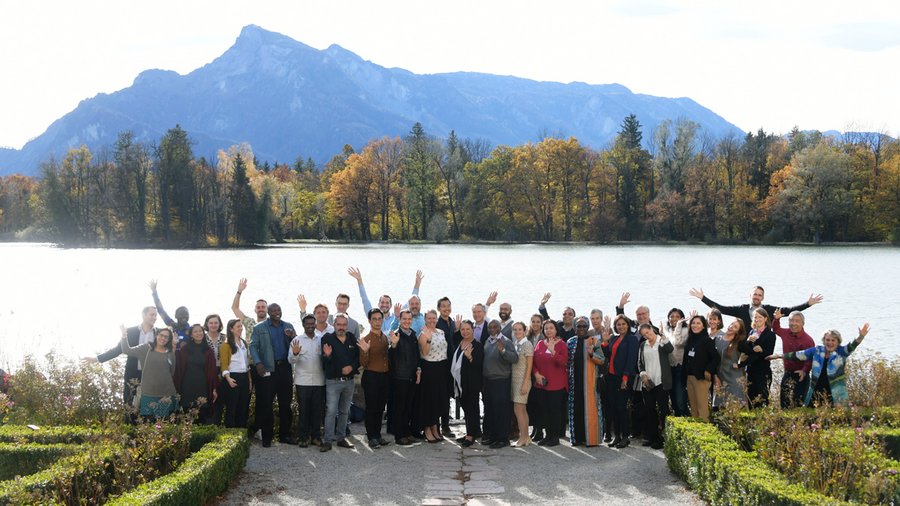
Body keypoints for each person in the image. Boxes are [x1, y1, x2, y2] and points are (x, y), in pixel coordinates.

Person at [767, 323, 870, 407]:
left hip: (835, 392)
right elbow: (799, 354)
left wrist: (861, 336)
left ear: (838, 342)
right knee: (811, 414)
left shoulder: (842, 352)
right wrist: (779, 356)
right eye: (827, 340)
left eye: (833, 340)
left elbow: (853, 345)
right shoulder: (817, 350)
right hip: (816, 390)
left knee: (837, 416)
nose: (830, 343)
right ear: (824, 341)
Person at [85, 306, 158, 408]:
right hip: (132, 373)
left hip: (152, 376)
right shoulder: (130, 331)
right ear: (144, 315)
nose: (154, 317)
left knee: (150, 406)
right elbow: (118, 350)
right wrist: (97, 359)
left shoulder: (159, 334)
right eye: (152, 314)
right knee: (129, 404)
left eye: (155, 315)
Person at [249, 303, 297, 447]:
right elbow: (252, 346)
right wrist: (258, 363)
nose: (277, 312)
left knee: (285, 404)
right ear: (268, 312)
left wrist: (292, 336)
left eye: (279, 310)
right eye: (273, 310)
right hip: (268, 368)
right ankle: (267, 437)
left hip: (285, 368)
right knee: (266, 404)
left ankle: (284, 435)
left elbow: (296, 344)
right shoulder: (260, 327)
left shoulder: (288, 326)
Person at [689, 286, 823, 332]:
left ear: (763, 297)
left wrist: (807, 304)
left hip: (762, 346)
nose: (757, 297)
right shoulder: (742, 309)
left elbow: (788, 311)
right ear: (750, 296)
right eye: (755, 294)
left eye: (759, 295)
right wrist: (703, 298)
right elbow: (722, 309)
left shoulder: (769, 310)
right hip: (744, 345)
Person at [120, 326, 177, 420]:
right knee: (149, 424)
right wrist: (124, 336)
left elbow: (172, 372)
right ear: (156, 335)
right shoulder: (146, 348)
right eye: (161, 335)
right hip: (148, 393)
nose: (163, 338)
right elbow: (126, 350)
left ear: (169, 339)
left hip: (167, 394)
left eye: (166, 337)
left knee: (164, 424)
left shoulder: (170, 353)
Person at [320, 313, 359, 452]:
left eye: (344, 324)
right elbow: (324, 362)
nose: (341, 327)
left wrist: (351, 367)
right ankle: (328, 440)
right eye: (339, 324)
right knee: (331, 411)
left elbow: (358, 358)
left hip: (349, 382)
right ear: (334, 325)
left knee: (345, 411)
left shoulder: (352, 338)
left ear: (347, 326)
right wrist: (327, 355)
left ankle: (341, 438)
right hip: (333, 382)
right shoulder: (327, 338)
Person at [568, 316, 606, 447]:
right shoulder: (570, 342)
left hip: (590, 382)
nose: (582, 328)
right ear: (574, 327)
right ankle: (577, 439)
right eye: (579, 326)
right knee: (576, 410)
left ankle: (591, 439)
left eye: (584, 326)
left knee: (591, 410)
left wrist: (591, 354)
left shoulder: (594, 341)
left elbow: (602, 360)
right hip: (574, 383)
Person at [348, 267, 422, 333]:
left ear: (390, 305)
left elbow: (411, 302)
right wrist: (359, 280)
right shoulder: (373, 315)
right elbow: (364, 299)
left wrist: (417, 285)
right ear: (378, 304)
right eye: (382, 302)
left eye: (387, 303)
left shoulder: (396, 315)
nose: (384, 305)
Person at [289, 314, 325, 448]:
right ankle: (303, 437)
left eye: (312, 323)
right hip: (302, 381)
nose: (310, 326)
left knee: (317, 411)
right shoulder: (296, 340)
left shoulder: (321, 339)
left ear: (315, 324)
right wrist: (295, 353)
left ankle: (316, 437)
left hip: (319, 381)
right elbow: (290, 360)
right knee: (304, 411)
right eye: (307, 324)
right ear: (303, 325)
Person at [602, 314, 638, 448]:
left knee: (621, 407)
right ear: (615, 326)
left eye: (623, 324)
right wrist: (605, 342)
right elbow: (607, 355)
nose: (621, 326)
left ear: (628, 325)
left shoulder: (632, 339)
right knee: (613, 407)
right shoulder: (614, 338)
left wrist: (625, 378)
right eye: (618, 324)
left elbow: (631, 359)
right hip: (611, 377)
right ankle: (616, 436)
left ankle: (625, 436)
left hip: (623, 377)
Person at [481, 320, 518, 449]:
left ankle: (503, 438)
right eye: (490, 327)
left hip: (501, 381)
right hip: (488, 381)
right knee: (490, 410)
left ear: (500, 328)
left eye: (495, 327)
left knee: (501, 411)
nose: (492, 329)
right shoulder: (488, 341)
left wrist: (503, 351)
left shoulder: (506, 341)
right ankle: (493, 437)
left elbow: (514, 358)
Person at [358, 309, 391, 449]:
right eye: (374, 319)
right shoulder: (366, 339)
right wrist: (365, 352)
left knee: (380, 407)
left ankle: (378, 434)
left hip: (384, 376)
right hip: (371, 376)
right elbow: (363, 363)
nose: (377, 321)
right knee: (371, 408)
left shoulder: (385, 338)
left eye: (379, 319)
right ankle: (371, 436)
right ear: (369, 321)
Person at [532, 319, 567, 447]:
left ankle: (555, 437)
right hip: (541, 383)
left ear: (556, 330)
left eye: (551, 328)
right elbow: (533, 362)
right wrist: (536, 374)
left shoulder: (561, 344)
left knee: (554, 411)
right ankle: (547, 436)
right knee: (544, 410)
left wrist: (553, 351)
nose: (548, 330)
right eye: (546, 328)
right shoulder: (540, 343)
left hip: (556, 384)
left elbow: (564, 362)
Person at [637, 323, 672, 449]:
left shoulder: (661, 342)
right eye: (644, 335)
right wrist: (643, 374)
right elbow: (640, 363)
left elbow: (670, 349)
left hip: (661, 382)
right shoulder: (643, 345)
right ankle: (653, 437)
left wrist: (663, 336)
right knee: (650, 410)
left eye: (648, 332)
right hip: (648, 383)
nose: (647, 335)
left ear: (652, 329)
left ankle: (664, 438)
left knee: (664, 410)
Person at [174, 324, 219, 422]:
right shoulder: (185, 349)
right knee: (187, 415)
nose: (199, 333)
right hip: (187, 386)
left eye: (200, 331)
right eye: (195, 331)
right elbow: (178, 366)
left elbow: (213, 371)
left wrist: (214, 388)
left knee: (202, 413)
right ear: (191, 335)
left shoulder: (208, 350)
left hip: (203, 386)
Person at [416, 310, 449, 443]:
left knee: (438, 400)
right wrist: (429, 339)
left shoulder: (441, 332)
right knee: (428, 400)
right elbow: (424, 352)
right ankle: (427, 429)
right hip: (429, 368)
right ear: (425, 319)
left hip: (441, 368)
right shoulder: (423, 334)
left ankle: (435, 427)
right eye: (429, 318)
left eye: (434, 318)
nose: (431, 320)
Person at [389, 310, 421, 446]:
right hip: (399, 377)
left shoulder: (413, 335)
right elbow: (391, 354)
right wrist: (394, 344)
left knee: (408, 407)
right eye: (404, 319)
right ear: (400, 320)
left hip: (411, 376)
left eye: (409, 319)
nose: (407, 321)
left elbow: (416, 355)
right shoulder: (396, 335)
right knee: (399, 407)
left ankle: (406, 432)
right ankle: (399, 435)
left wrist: (418, 370)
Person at [771, 309, 815, 408]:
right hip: (787, 373)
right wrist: (776, 319)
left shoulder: (808, 340)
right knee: (784, 404)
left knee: (798, 404)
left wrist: (804, 371)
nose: (793, 323)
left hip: (801, 375)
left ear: (803, 323)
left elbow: (810, 359)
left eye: (797, 321)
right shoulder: (786, 333)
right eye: (791, 320)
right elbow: (776, 329)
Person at [451, 319, 483, 448]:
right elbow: (453, 338)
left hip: (472, 382)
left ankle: (470, 435)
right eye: (462, 329)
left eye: (468, 329)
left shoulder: (477, 345)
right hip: (461, 381)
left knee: (472, 408)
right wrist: (456, 328)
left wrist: (470, 357)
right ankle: (474, 431)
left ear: (473, 330)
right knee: (465, 407)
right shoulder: (460, 342)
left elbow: (479, 364)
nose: (465, 332)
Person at [683, 315, 720, 420]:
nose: (695, 325)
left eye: (698, 323)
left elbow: (716, 358)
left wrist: (708, 370)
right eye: (693, 323)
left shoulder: (706, 340)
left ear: (703, 326)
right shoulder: (689, 339)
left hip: (701, 378)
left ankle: (705, 428)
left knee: (702, 408)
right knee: (693, 408)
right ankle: (696, 428)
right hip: (689, 377)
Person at [738, 308, 776, 408]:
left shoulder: (771, 334)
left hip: (762, 371)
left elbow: (769, 354)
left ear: (765, 318)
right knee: (751, 399)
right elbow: (746, 350)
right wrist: (748, 341)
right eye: (755, 317)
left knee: (762, 399)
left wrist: (761, 350)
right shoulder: (751, 332)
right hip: (750, 370)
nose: (757, 319)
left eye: (760, 317)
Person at [220, 319, 251, 429]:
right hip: (232, 378)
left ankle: (241, 432)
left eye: (241, 326)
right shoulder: (226, 345)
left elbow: (247, 364)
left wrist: (249, 380)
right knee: (232, 407)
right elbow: (224, 364)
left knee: (243, 407)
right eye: (238, 326)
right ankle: (230, 433)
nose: (241, 328)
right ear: (231, 329)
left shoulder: (244, 343)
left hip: (244, 378)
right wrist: (228, 379)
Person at [587, 309, 612, 442]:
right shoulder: (589, 333)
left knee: (606, 403)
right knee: (595, 402)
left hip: (605, 370)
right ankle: (597, 429)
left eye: (597, 318)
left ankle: (608, 432)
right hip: (592, 370)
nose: (595, 321)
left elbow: (609, 350)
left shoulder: (608, 330)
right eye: (593, 318)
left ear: (601, 319)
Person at [712, 318, 748, 409]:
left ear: (738, 332)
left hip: (734, 379)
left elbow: (753, 354)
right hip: (720, 379)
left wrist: (741, 365)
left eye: (735, 327)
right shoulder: (717, 339)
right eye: (732, 324)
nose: (731, 327)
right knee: (718, 408)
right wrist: (715, 376)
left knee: (735, 407)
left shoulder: (739, 343)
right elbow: (711, 359)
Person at [510, 322, 534, 447]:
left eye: (520, 329)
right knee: (521, 409)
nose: (517, 332)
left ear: (525, 331)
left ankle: (523, 437)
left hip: (522, 380)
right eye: (515, 329)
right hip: (514, 380)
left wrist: (525, 383)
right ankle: (526, 437)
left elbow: (529, 366)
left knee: (519, 409)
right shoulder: (515, 344)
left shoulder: (527, 344)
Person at [662, 308, 689, 417]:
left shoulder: (686, 330)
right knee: (673, 399)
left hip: (680, 367)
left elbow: (677, 343)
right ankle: (678, 422)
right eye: (672, 316)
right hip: (669, 368)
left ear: (682, 318)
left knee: (680, 399)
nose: (674, 319)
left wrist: (678, 325)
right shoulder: (666, 330)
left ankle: (685, 420)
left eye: (677, 317)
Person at [205, 314, 226, 424]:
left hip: (222, 370)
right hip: (207, 371)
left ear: (219, 324)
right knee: (208, 397)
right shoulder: (203, 338)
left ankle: (217, 424)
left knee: (220, 399)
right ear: (207, 324)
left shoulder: (225, 337)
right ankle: (207, 425)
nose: (213, 325)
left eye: (216, 323)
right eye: (211, 323)